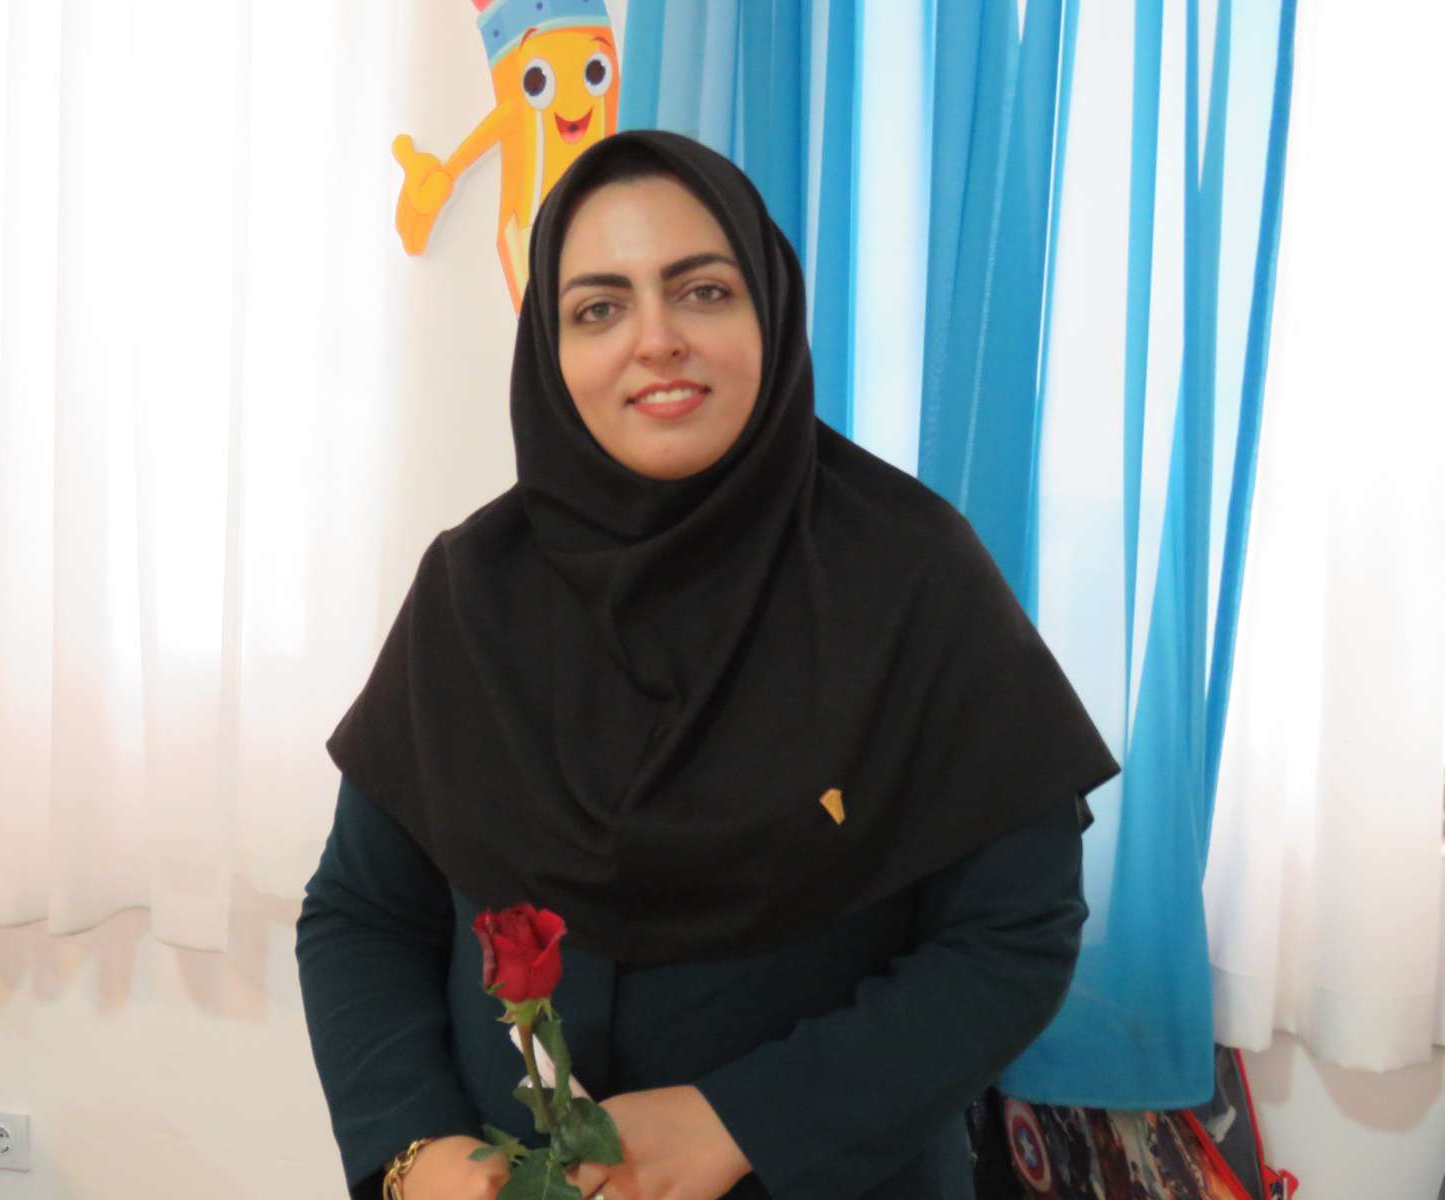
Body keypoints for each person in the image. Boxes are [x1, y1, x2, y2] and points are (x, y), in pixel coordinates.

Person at [297, 130, 1119, 1200]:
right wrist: (415, 1154)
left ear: (769, 311)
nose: (656, 340)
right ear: (549, 351)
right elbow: (362, 912)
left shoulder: (914, 578)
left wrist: (740, 1123)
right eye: (599, 308)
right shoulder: (471, 591)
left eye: (703, 292)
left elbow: (1013, 937)